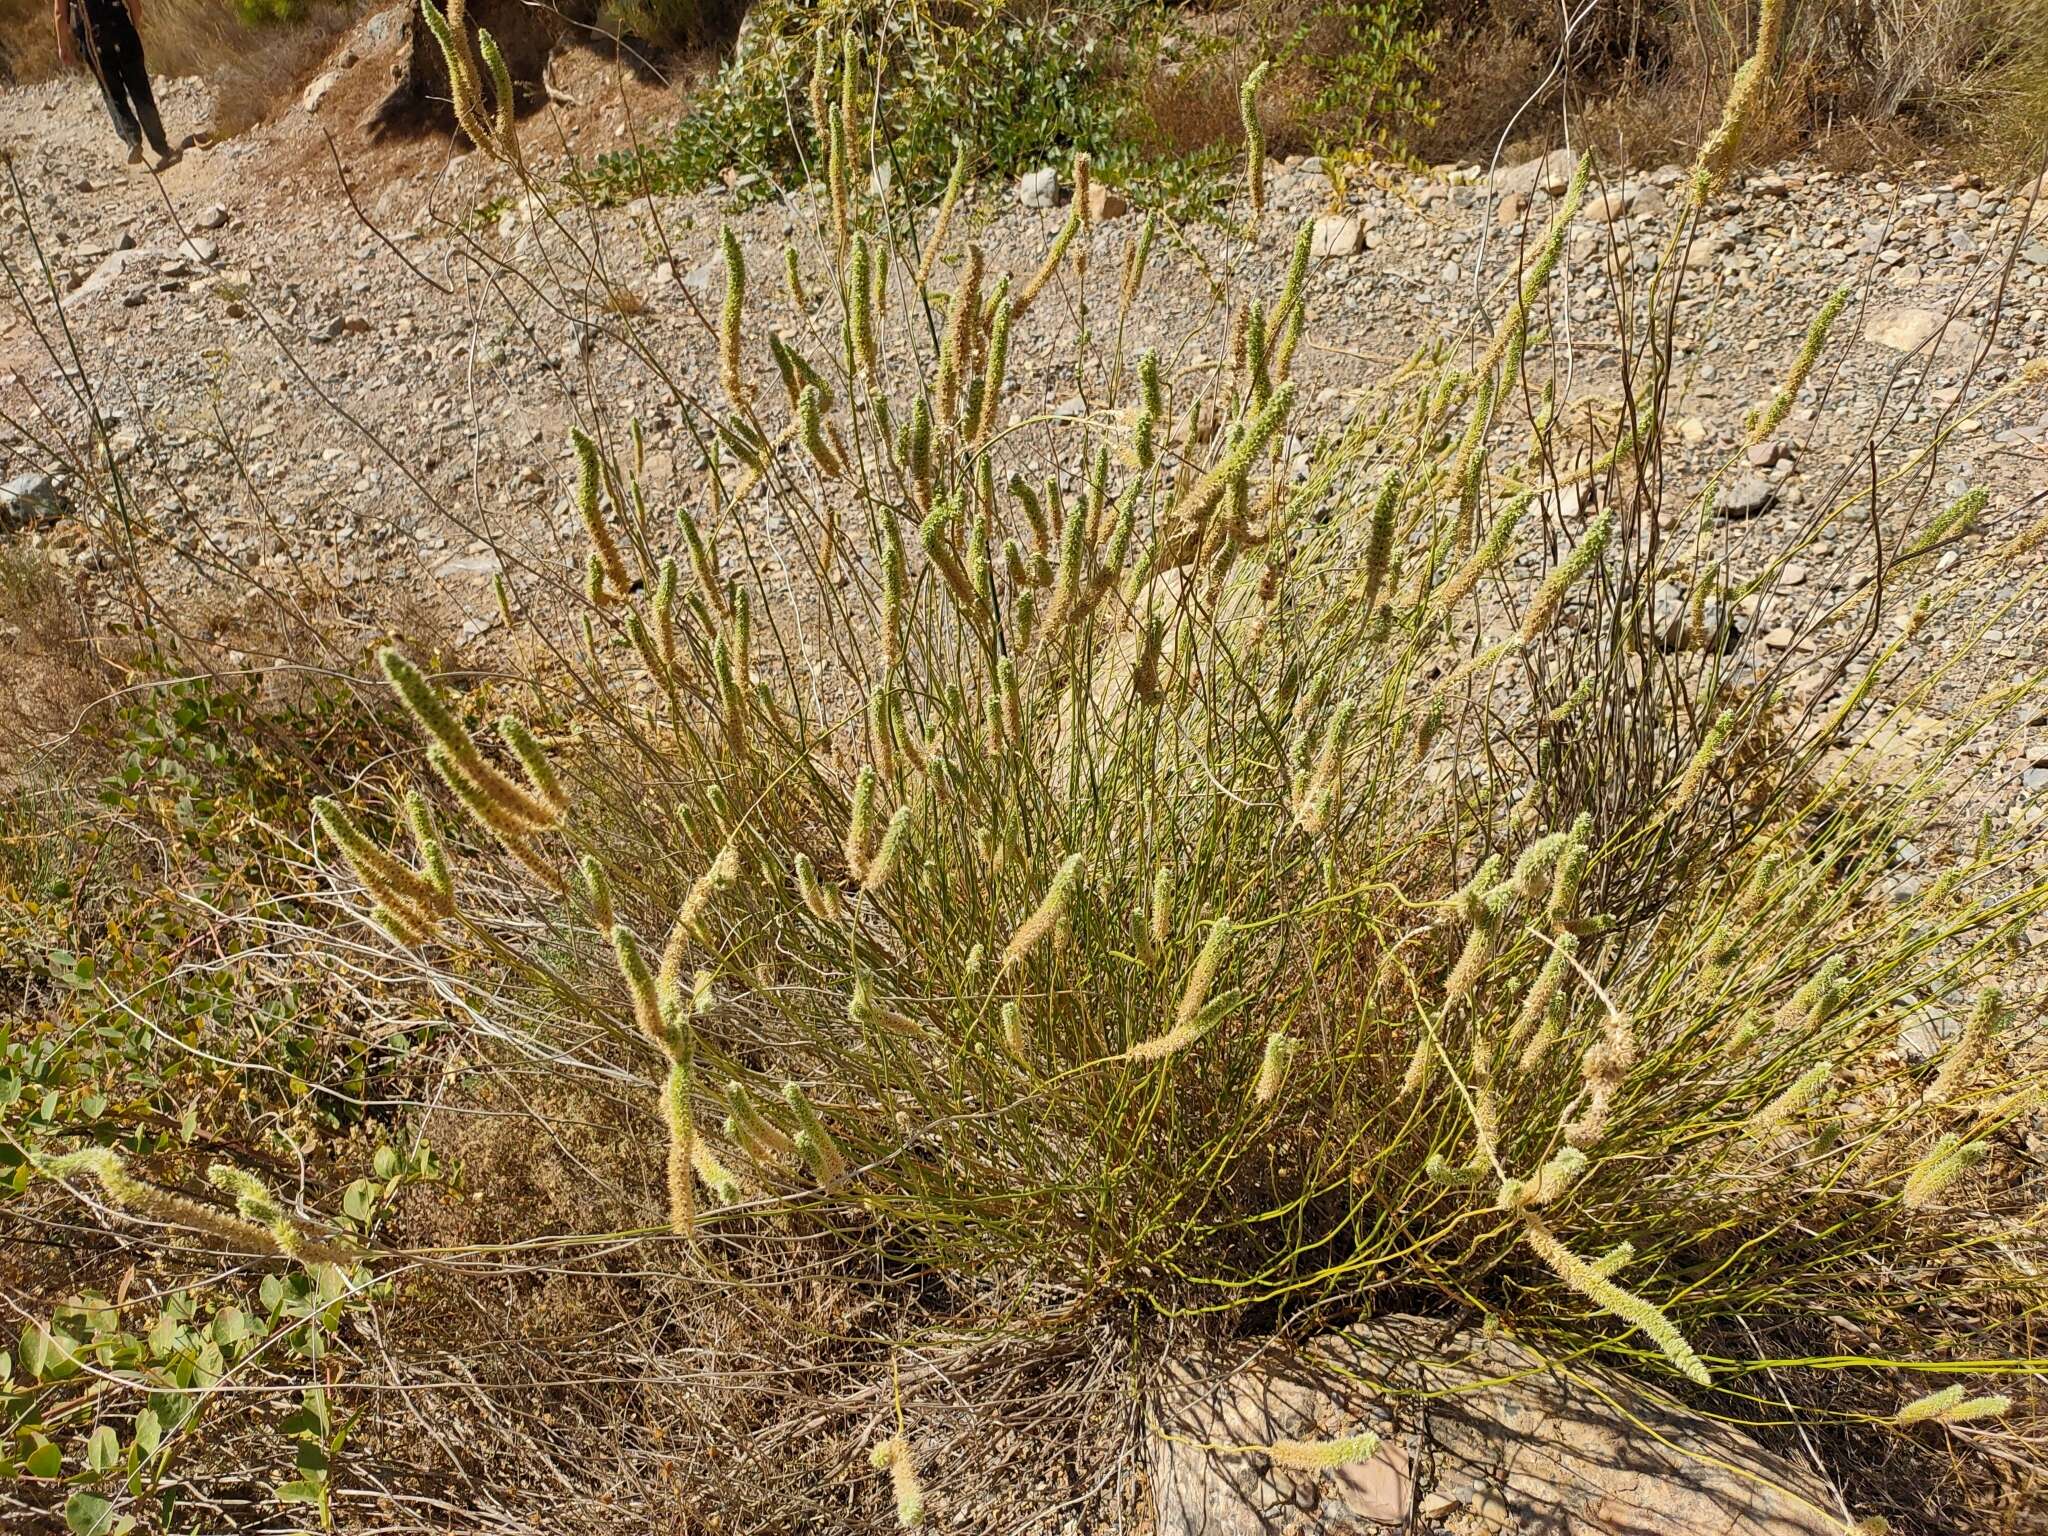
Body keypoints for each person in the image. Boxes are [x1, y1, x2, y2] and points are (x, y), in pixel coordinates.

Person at [53, 0, 175, 169]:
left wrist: (63, 46)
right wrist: (135, 24)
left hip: (94, 41)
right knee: (140, 90)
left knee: (113, 93)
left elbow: (60, 14)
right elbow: (134, 4)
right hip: (121, 28)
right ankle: (162, 148)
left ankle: (132, 140)